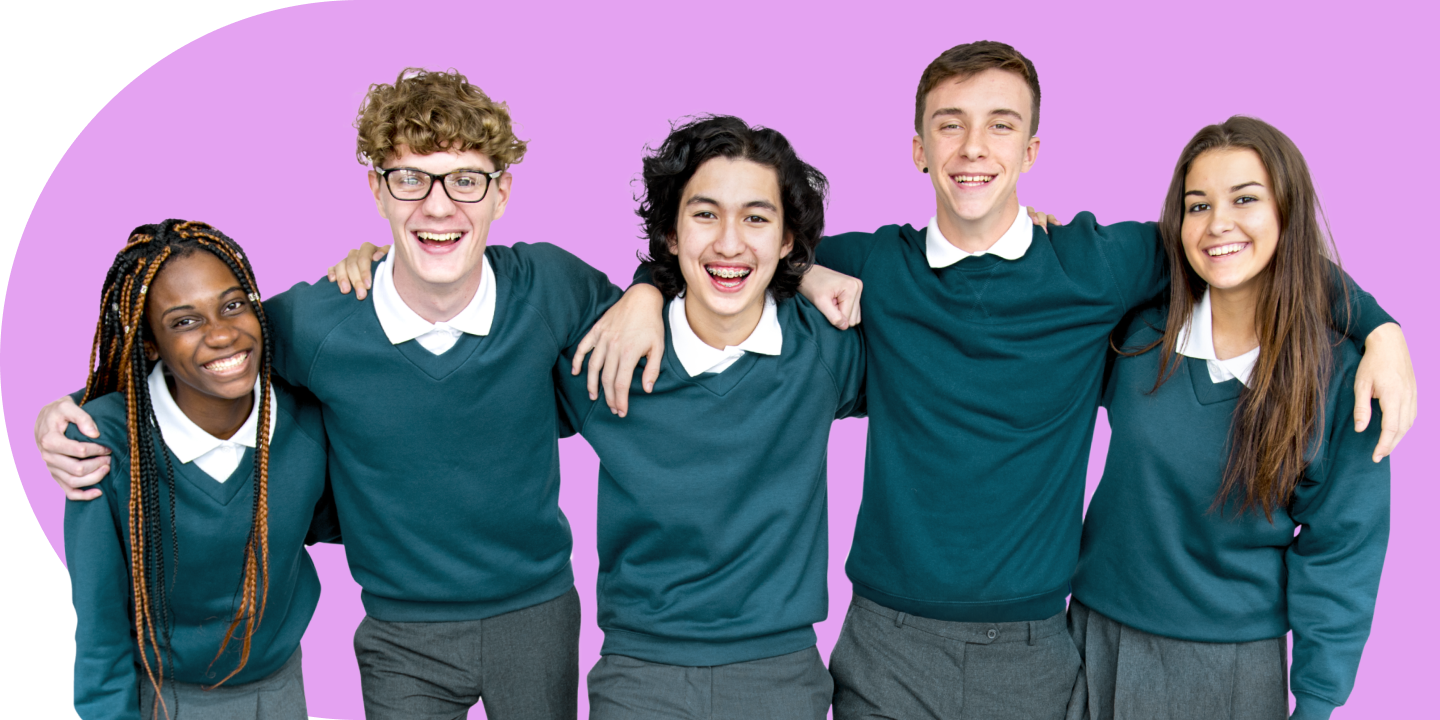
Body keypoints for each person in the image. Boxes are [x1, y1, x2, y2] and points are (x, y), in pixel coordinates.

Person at [572, 41, 1415, 719]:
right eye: (949, 125)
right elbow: (740, 250)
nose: (973, 148)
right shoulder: (876, 265)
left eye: (1000, 125)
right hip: (884, 641)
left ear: (1031, 148)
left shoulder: (1101, 263)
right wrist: (651, 289)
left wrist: (1381, 328)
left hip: (1036, 647)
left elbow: (1243, 251)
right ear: (916, 148)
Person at [39, 68, 628, 719]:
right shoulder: (314, 321)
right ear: (378, 189)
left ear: (502, 192)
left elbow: (647, 329)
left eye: (465, 179)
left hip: (536, 611)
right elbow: (204, 356)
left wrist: (651, 290)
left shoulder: (552, 283)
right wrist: (66, 416)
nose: (438, 207)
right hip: (401, 632)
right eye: (410, 178)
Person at [1068, 117, 1390, 720]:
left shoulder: (1345, 377)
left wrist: (1317, 702)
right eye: (1198, 205)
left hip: (1231, 671)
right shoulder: (1140, 333)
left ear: (1287, 211)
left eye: (1245, 198)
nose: (1218, 223)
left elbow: (1345, 551)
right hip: (1094, 639)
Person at [548, 116, 863, 719]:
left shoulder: (825, 347)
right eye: (704, 214)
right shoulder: (607, 354)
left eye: (756, 218)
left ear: (788, 238)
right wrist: (384, 262)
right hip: (640, 675)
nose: (728, 243)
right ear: (669, 234)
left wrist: (1031, 230)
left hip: (782, 675)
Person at [62, 219, 337, 720]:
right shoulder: (105, 446)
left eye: (234, 305)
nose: (222, 334)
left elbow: (347, 520)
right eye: (184, 321)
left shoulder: (307, 418)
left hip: (281, 688)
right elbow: (99, 626)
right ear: (150, 344)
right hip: (165, 699)